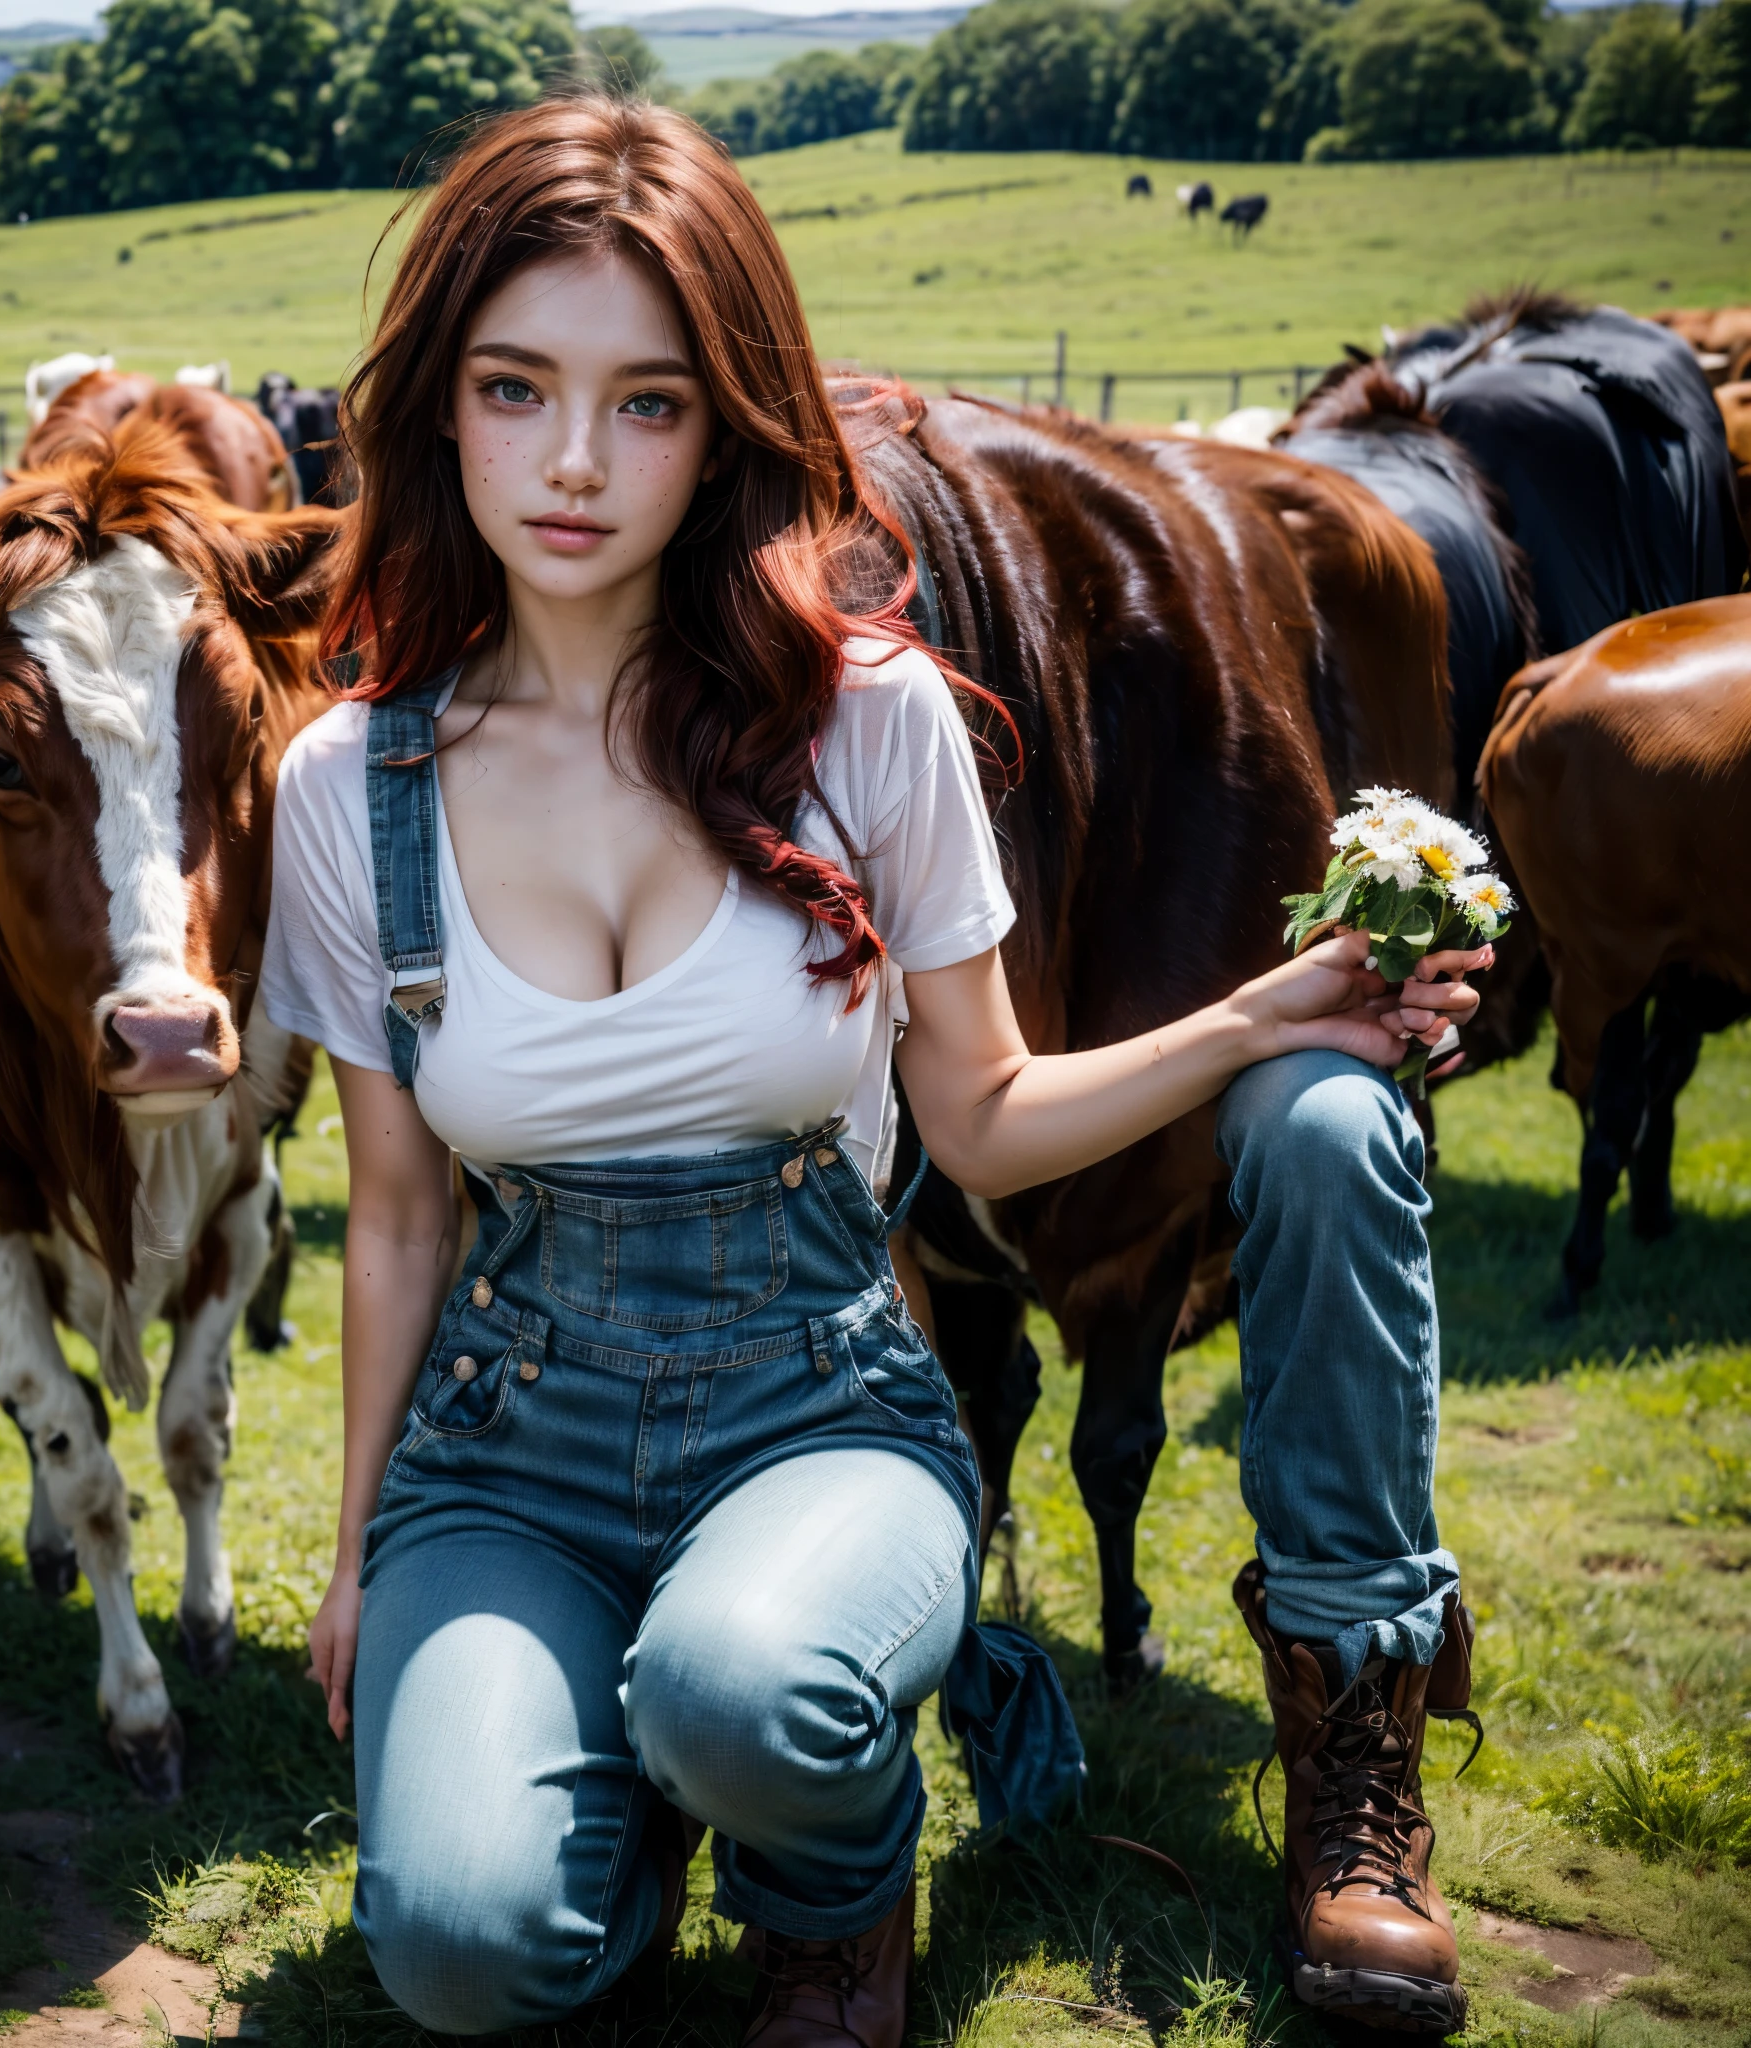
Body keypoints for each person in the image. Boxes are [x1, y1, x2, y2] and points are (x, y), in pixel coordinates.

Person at [262, 96, 1491, 2045]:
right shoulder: (348, 786)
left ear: (727, 422)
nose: (572, 462)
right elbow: (400, 1214)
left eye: (646, 403)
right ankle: (641, 1793)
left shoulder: (871, 725)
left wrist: (1266, 1014)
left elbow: (982, 1111)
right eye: (515, 388)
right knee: (456, 1951)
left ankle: (834, 1889)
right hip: (506, 1450)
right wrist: (348, 1558)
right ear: (435, 409)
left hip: (811, 1396)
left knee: (746, 1688)